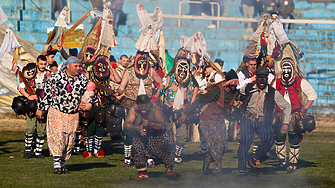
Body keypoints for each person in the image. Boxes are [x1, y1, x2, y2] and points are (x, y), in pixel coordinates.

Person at [36, 56, 97, 174]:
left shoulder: (82, 79)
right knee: (58, 138)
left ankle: (62, 165)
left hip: (72, 115)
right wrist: (40, 109)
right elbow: (46, 93)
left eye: (79, 66)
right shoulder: (55, 77)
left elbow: (92, 94)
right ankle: (57, 166)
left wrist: (89, 104)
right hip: (57, 112)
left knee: (68, 141)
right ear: (68, 66)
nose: (78, 68)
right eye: (76, 66)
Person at [178, 69, 241, 177]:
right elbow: (199, 100)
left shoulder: (235, 93)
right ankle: (217, 170)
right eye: (232, 85)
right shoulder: (217, 90)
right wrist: (186, 114)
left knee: (223, 147)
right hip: (207, 119)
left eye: (236, 85)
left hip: (219, 120)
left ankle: (207, 158)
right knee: (214, 146)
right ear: (228, 83)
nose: (234, 87)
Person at [237, 67, 291, 177]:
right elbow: (236, 91)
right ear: (256, 78)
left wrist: (286, 123)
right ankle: (242, 169)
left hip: (263, 121)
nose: (262, 81)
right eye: (260, 78)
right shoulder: (248, 88)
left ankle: (254, 159)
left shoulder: (272, 92)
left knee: (269, 139)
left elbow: (287, 106)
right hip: (247, 119)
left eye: (264, 78)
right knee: (245, 143)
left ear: (267, 79)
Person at [115, 52, 163, 167]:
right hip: (131, 104)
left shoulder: (151, 71)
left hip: (147, 106)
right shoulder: (128, 72)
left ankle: (149, 157)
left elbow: (161, 82)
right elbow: (122, 87)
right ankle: (127, 158)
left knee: (149, 131)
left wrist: (156, 94)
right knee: (129, 130)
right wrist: (118, 92)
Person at [275, 57, 317, 172]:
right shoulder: (277, 82)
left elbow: (312, 95)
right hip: (280, 116)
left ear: (293, 68)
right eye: (284, 68)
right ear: (281, 69)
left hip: (295, 116)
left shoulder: (300, 81)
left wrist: (305, 108)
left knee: (294, 138)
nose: (287, 70)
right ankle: (282, 162)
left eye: (289, 68)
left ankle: (293, 163)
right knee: (279, 138)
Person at [124, 94, 176, 180]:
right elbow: (126, 124)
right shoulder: (134, 109)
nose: (143, 106)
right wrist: (137, 128)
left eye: (145, 104)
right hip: (144, 135)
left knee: (168, 141)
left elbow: (162, 126)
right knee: (136, 145)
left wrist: (149, 124)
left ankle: (169, 170)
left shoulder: (155, 108)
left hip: (160, 134)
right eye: (140, 104)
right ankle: (142, 174)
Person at [163, 56, 199, 163]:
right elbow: (162, 87)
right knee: (167, 132)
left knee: (182, 134)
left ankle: (177, 155)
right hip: (168, 108)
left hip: (183, 109)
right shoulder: (170, 77)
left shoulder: (191, 79)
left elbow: (196, 87)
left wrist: (192, 101)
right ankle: (168, 154)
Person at [19, 55, 52, 159]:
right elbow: (21, 88)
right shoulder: (29, 73)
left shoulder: (49, 75)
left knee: (42, 129)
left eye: (44, 64)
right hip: (32, 104)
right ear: (37, 63)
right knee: (30, 127)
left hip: (44, 104)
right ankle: (27, 150)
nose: (43, 66)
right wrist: (28, 96)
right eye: (41, 64)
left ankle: (38, 152)